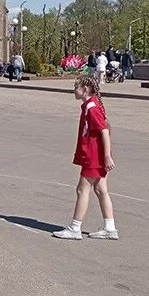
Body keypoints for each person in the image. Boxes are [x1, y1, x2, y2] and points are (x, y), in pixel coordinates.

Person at [52, 76, 118, 240]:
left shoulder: (92, 107)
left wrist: (107, 156)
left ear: (86, 89)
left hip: (94, 156)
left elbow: (104, 131)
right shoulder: (92, 105)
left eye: (76, 86)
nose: (74, 89)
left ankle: (75, 228)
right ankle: (110, 228)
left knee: (82, 189)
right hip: (96, 154)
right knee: (100, 189)